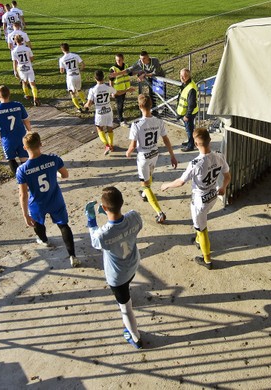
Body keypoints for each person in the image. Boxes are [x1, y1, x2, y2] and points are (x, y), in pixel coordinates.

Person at [161, 128, 230, 270]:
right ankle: (198, 240)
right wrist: (223, 187)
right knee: (201, 223)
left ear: (196, 143)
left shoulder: (195, 164)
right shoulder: (219, 156)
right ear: (209, 140)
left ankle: (207, 260)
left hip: (200, 201)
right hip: (213, 196)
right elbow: (228, 176)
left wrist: (166, 185)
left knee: (202, 229)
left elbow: (180, 182)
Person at [85, 186, 144, 349]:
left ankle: (136, 338)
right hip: (133, 264)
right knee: (128, 286)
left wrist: (91, 220)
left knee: (126, 310)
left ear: (104, 208)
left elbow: (95, 239)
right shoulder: (135, 217)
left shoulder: (103, 235)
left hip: (117, 277)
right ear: (122, 202)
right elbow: (132, 227)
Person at [16, 131, 81, 268]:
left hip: (37, 204)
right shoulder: (53, 159)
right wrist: (54, 174)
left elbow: (23, 194)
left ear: (24, 147)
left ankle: (44, 240)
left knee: (38, 224)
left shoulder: (22, 169)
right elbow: (64, 175)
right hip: (55, 199)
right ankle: (72, 256)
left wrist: (25, 214)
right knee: (63, 225)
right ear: (41, 144)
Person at [126, 93, 178, 224]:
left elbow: (132, 146)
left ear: (139, 106)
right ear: (151, 106)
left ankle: (159, 212)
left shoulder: (136, 124)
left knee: (145, 184)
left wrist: (128, 152)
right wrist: (172, 155)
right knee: (148, 178)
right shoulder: (159, 121)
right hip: (155, 153)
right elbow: (166, 140)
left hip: (143, 157)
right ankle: (145, 195)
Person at [0, 85, 31, 175]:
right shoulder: (18, 105)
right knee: (24, 158)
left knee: (11, 159)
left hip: (8, 139)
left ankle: (20, 180)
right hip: (21, 137)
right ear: (9, 94)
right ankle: (29, 178)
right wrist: (29, 131)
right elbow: (26, 120)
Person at [83, 70, 117, 155]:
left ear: (95, 78)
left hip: (100, 113)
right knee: (110, 128)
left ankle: (107, 145)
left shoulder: (93, 90)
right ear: (103, 77)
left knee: (99, 128)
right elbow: (116, 92)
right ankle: (111, 145)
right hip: (109, 111)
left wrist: (86, 105)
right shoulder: (108, 87)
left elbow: (89, 104)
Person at [12, 34, 40, 106]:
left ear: (15, 41)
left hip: (21, 68)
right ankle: (35, 98)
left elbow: (15, 62)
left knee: (24, 82)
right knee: (32, 83)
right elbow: (32, 59)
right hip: (29, 67)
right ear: (22, 40)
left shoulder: (14, 51)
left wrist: (15, 71)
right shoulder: (27, 49)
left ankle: (27, 95)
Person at [59, 43, 87, 112]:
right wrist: (79, 69)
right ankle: (84, 102)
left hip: (70, 77)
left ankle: (78, 108)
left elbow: (61, 71)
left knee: (72, 92)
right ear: (69, 48)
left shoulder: (62, 59)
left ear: (62, 50)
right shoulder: (75, 55)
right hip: (77, 75)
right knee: (79, 89)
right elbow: (83, 64)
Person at [177, 68, 199, 152]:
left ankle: (190, 146)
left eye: (184, 76)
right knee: (189, 128)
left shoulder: (191, 88)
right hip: (188, 111)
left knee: (189, 129)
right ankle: (191, 142)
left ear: (189, 76)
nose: (182, 78)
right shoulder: (186, 84)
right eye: (181, 75)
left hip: (189, 113)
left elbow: (192, 104)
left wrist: (187, 115)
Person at [109, 53, 133, 126]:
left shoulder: (126, 66)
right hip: (117, 91)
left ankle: (120, 117)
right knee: (120, 104)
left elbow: (131, 73)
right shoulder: (113, 69)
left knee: (121, 103)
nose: (118, 62)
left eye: (119, 60)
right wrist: (112, 91)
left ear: (123, 59)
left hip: (124, 89)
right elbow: (111, 81)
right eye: (117, 60)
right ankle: (121, 119)